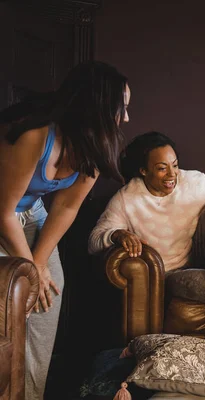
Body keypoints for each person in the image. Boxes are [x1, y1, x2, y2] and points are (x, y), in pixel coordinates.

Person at [0, 60, 130, 400]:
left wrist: (40, 264)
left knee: (46, 300)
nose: (126, 118)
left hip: (32, 216)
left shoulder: (93, 149)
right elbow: (3, 212)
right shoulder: (36, 135)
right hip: (3, 218)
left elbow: (67, 207)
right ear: (99, 106)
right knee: (9, 306)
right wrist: (29, 270)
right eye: (122, 107)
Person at [89, 131, 205, 313]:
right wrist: (118, 234)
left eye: (174, 165)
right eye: (162, 168)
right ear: (144, 171)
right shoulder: (127, 198)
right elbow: (94, 241)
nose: (172, 174)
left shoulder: (192, 181)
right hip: (169, 273)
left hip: (202, 256)